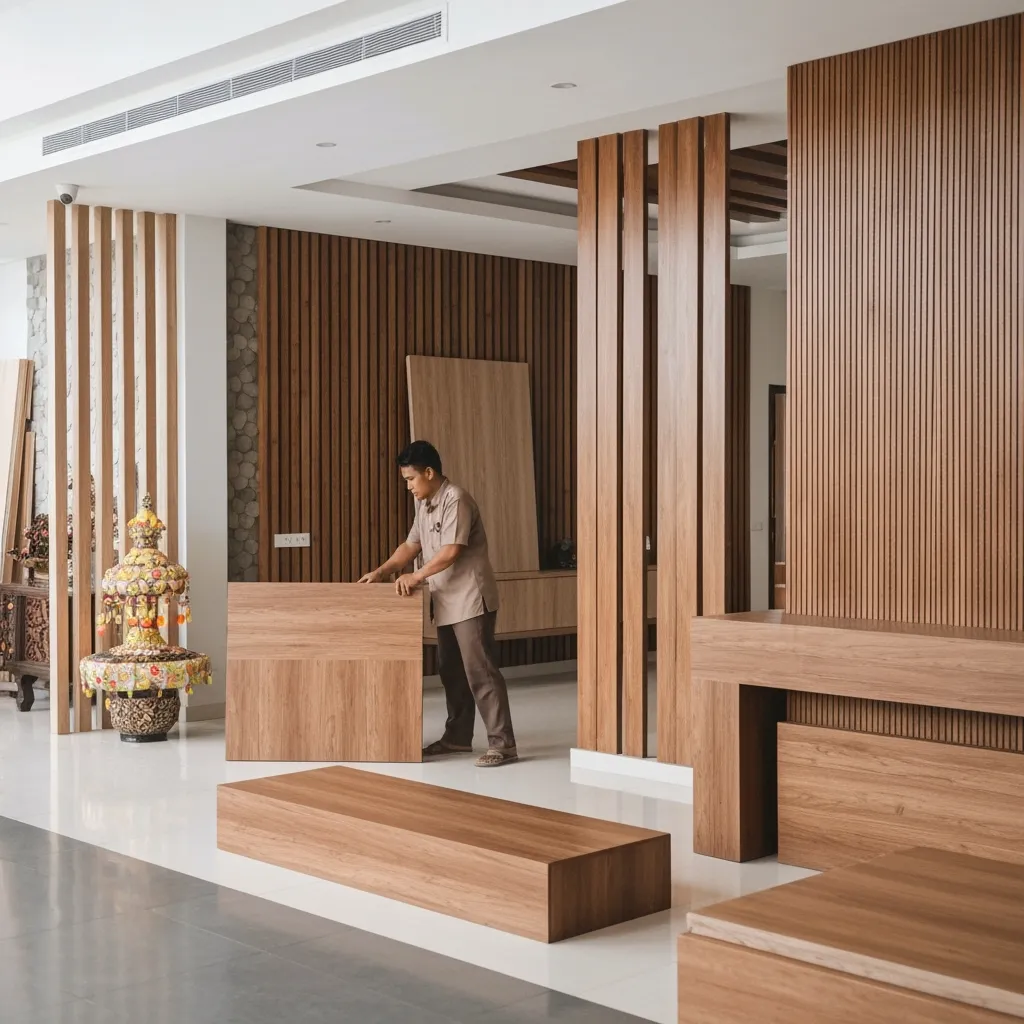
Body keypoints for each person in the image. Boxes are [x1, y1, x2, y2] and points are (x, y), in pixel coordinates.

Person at [358, 440, 518, 767]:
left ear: (429, 473)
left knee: (480, 671)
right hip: (445, 601)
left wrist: (415, 578)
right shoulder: (425, 504)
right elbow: (411, 545)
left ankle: (503, 744)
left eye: (411, 479)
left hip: (470, 599)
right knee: (451, 670)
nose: (408, 487)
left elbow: (451, 551)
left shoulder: (456, 500)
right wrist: (382, 570)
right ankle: (457, 738)